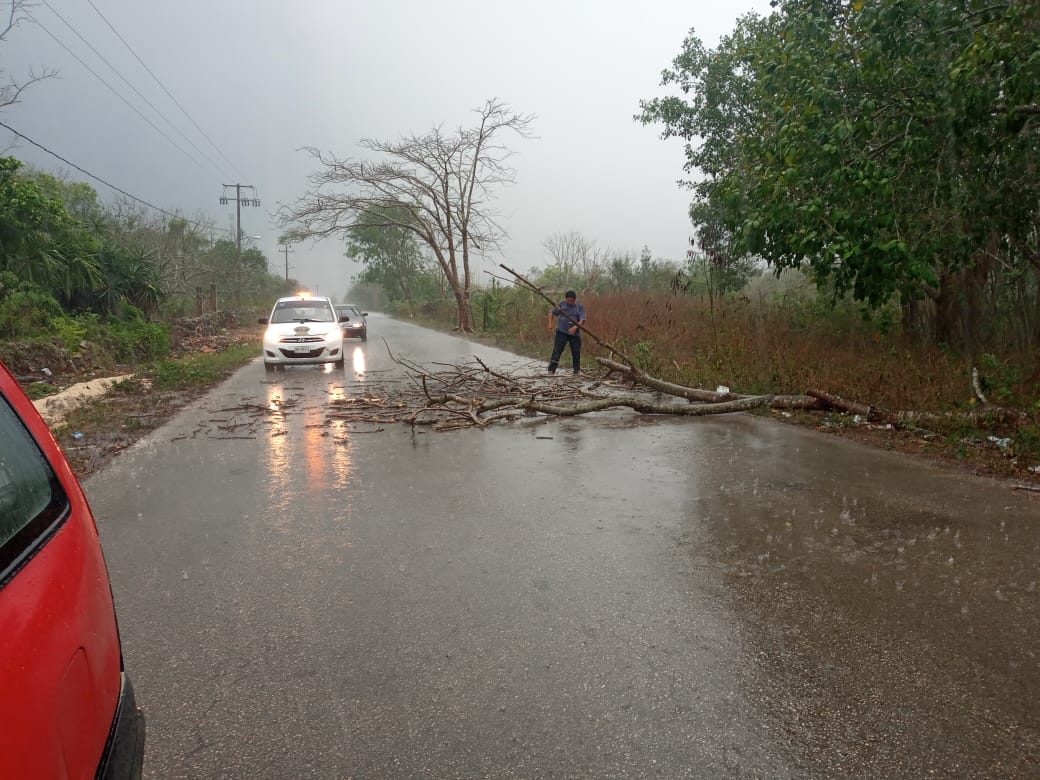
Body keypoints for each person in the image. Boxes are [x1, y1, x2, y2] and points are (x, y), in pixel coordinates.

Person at [546, 290, 587, 375]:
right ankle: (551, 370)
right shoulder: (562, 304)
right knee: (557, 351)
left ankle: (577, 370)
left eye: (571, 301)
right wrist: (550, 324)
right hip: (562, 332)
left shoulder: (580, 306)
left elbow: (582, 320)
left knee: (576, 352)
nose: (569, 302)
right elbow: (552, 313)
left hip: (575, 334)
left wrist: (575, 327)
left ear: (574, 300)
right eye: (568, 300)